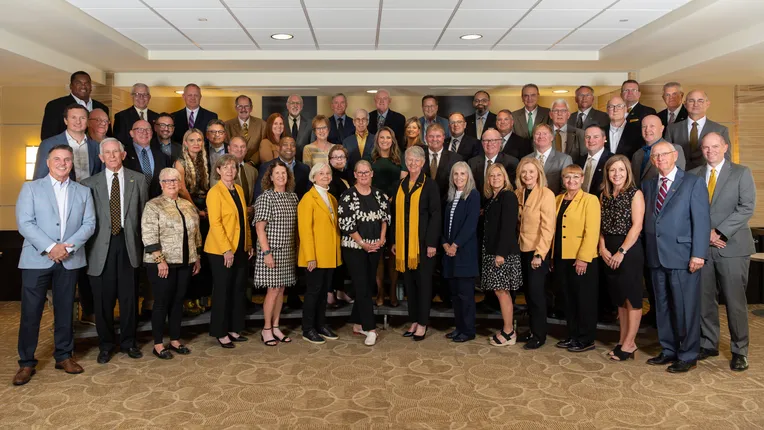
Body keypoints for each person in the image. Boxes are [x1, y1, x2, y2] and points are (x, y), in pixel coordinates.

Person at [13, 145, 95, 386]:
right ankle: (26, 362)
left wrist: (66, 249)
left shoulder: (83, 191)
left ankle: (64, 356)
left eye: (67, 159)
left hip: (69, 260)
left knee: (65, 309)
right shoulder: (31, 188)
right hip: (36, 259)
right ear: (48, 163)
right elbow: (25, 223)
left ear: (72, 163)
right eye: (57, 159)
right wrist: (51, 247)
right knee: (31, 312)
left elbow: (89, 224)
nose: (62, 163)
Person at [642, 141, 710, 373]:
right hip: (655, 256)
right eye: (655, 156)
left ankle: (688, 354)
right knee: (661, 306)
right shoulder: (648, 185)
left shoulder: (693, 182)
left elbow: (701, 221)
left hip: (683, 256)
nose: (659, 159)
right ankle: (668, 349)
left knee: (685, 307)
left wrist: (698, 254)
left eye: (664, 154)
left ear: (674, 155)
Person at [689, 133, 755, 372]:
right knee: (705, 299)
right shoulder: (693, 175)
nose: (710, 151)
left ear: (725, 147)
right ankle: (708, 343)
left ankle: (740, 350)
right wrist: (705, 234)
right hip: (702, 249)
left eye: (715, 146)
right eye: (706, 147)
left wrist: (719, 232)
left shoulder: (741, 172)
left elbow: (746, 207)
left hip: (732, 247)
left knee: (735, 302)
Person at [82, 138, 148, 364]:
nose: (111, 156)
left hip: (129, 245)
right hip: (100, 248)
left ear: (123, 154)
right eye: (107, 153)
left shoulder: (138, 179)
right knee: (103, 300)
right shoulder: (88, 184)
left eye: (115, 152)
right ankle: (106, 344)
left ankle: (129, 342)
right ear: (101, 158)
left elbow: (143, 217)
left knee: (129, 298)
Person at [141, 167, 202, 359]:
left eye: (175, 180)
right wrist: (160, 260)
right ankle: (158, 344)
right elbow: (149, 235)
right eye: (167, 181)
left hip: (185, 261)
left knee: (178, 302)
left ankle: (175, 340)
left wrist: (197, 256)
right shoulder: (153, 205)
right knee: (161, 303)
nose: (172, 184)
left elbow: (196, 234)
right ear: (161, 184)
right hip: (161, 263)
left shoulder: (187, 205)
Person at [391, 145, 441, 341]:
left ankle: (422, 323)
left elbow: (436, 215)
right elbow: (396, 214)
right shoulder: (401, 184)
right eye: (409, 160)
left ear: (422, 163)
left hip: (422, 245)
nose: (412, 163)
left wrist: (431, 243)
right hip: (404, 244)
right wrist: (395, 241)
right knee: (410, 284)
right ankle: (413, 320)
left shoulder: (430, 185)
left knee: (424, 284)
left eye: (416, 160)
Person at [598, 155, 645, 361]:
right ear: (607, 173)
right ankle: (622, 339)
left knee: (631, 297)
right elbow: (599, 225)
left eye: (621, 170)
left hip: (629, 251)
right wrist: (601, 247)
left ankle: (630, 343)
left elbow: (637, 226)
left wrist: (621, 251)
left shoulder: (635, 194)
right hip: (608, 249)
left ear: (627, 172)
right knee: (618, 298)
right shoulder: (604, 195)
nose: (617, 174)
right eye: (613, 170)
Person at [339, 160, 390, 346]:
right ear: (354, 174)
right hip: (354, 248)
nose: (363, 175)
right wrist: (362, 243)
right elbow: (346, 224)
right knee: (362, 286)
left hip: (375, 247)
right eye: (360, 172)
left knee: (368, 284)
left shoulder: (379, 195)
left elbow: (385, 218)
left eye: (366, 172)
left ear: (372, 174)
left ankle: (357, 323)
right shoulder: (347, 196)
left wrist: (382, 239)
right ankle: (370, 328)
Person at [205, 155, 254, 348]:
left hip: (240, 247)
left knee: (238, 289)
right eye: (225, 168)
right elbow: (215, 224)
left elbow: (244, 220)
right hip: (220, 250)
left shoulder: (239, 190)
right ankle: (220, 331)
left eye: (233, 168)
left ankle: (234, 328)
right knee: (223, 290)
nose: (229, 171)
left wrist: (248, 243)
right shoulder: (214, 192)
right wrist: (226, 249)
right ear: (218, 170)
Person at [553, 165, 601, 353]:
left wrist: (583, 258)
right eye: (567, 177)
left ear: (582, 179)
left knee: (584, 299)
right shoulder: (558, 199)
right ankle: (572, 335)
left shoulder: (590, 200)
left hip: (581, 258)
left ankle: (586, 338)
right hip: (561, 256)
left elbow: (592, 231)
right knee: (568, 299)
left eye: (575, 177)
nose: (571, 181)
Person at [254, 161, 299, 346]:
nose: (281, 176)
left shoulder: (293, 197)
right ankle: (266, 329)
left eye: (284, 173)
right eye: (277, 173)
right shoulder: (266, 198)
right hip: (271, 250)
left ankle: (276, 326)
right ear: (270, 177)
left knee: (281, 289)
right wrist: (267, 253)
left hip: (287, 251)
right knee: (272, 290)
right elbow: (259, 228)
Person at [298, 163, 343, 344]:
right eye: (321, 173)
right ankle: (307, 328)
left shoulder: (331, 198)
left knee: (324, 293)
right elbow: (305, 230)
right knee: (313, 293)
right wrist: (310, 257)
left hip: (329, 254)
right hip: (315, 256)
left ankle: (320, 324)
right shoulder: (308, 199)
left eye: (327, 173)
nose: (325, 176)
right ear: (313, 177)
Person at [480, 163, 522, 346]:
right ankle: (507, 328)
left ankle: (509, 332)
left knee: (503, 292)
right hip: (492, 251)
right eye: (492, 175)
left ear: (505, 177)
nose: (495, 178)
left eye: (499, 175)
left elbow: (508, 227)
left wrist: (501, 254)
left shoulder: (508, 196)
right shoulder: (492, 198)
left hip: (502, 254)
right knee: (499, 291)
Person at [441, 162, 481, 342]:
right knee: (455, 295)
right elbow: (443, 224)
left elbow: (470, 225)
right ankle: (459, 328)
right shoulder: (450, 196)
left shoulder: (473, 195)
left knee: (465, 295)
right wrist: (444, 244)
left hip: (464, 252)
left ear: (468, 176)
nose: (459, 177)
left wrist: (455, 245)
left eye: (462, 174)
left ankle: (468, 330)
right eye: (455, 174)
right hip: (449, 253)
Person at [174, 128, 211, 314]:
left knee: (203, 255)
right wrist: (196, 210)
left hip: (205, 209)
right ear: (185, 143)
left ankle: (201, 296)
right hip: (188, 209)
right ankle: (187, 299)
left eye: (199, 140)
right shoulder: (180, 163)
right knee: (191, 255)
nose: (196, 143)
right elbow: (181, 190)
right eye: (192, 140)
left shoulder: (204, 161)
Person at [371, 127, 407, 307]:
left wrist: (393, 197)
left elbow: (406, 182)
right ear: (377, 140)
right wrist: (379, 198)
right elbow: (365, 183)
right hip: (375, 210)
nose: (385, 140)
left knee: (393, 252)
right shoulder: (371, 160)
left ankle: (392, 291)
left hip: (395, 208)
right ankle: (380, 293)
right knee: (378, 253)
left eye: (388, 137)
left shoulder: (399, 160)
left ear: (393, 140)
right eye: (381, 137)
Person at [34, 104, 103, 182]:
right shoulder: (49, 144)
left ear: (87, 121)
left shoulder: (97, 146)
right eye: (73, 117)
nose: (78, 122)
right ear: (65, 120)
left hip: (89, 193)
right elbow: (39, 178)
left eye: (82, 118)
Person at [666, 90, 731, 170]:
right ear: (685, 104)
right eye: (691, 101)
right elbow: (665, 155)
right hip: (679, 177)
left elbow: (726, 160)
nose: (695, 104)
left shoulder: (720, 130)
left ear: (708, 104)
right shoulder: (672, 129)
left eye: (700, 101)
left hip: (707, 178)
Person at [40, 71, 111, 140]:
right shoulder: (55, 106)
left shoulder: (102, 107)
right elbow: (48, 136)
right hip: (68, 150)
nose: (83, 86)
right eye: (78, 83)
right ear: (71, 86)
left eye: (87, 83)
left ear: (91, 87)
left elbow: (108, 136)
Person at [327, 145, 353, 307]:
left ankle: (340, 290)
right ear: (330, 160)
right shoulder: (328, 177)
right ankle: (330, 293)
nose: (338, 160)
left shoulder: (349, 175)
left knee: (342, 259)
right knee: (333, 259)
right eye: (335, 157)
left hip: (346, 224)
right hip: (333, 224)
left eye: (341, 157)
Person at [631, 115, 686, 189]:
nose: (647, 130)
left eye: (652, 126)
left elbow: (678, 181)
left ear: (662, 129)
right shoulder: (637, 154)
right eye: (644, 126)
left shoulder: (674, 149)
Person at [124, 119, 172, 199]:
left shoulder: (162, 156)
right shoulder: (123, 155)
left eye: (148, 129)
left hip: (158, 203)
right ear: (131, 133)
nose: (144, 132)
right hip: (133, 203)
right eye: (140, 129)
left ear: (152, 133)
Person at [523, 123, 573, 195]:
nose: (541, 136)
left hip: (554, 202)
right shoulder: (525, 159)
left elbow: (567, 188)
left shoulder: (564, 159)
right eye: (538, 133)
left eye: (545, 133)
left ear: (552, 137)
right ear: (534, 138)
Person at [468, 128, 519, 196]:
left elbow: (512, 188)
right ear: (482, 143)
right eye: (486, 140)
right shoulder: (472, 162)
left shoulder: (512, 162)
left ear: (500, 142)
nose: (489, 143)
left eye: (494, 140)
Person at [224, 95, 266, 165]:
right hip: (234, 166)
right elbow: (227, 147)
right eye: (240, 106)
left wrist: (252, 162)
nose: (243, 109)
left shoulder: (262, 124)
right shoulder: (227, 125)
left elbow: (263, 147)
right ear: (236, 108)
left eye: (246, 106)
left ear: (251, 108)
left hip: (256, 167)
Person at [579, 125, 612, 197]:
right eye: (588, 137)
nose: (591, 140)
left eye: (596, 137)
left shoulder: (612, 160)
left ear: (604, 139)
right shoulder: (578, 160)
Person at [550, 99, 586, 165]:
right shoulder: (542, 134)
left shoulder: (580, 134)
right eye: (556, 111)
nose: (559, 114)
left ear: (568, 115)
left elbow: (584, 159)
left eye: (563, 111)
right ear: (551, 115)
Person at [206, 119, 229, 187]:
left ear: (225, 135)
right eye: (213, 132)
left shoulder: (231, 149)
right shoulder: (201, 149)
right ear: (207, 135)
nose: (217, 135)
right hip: (206, 188)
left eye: (220, 132)